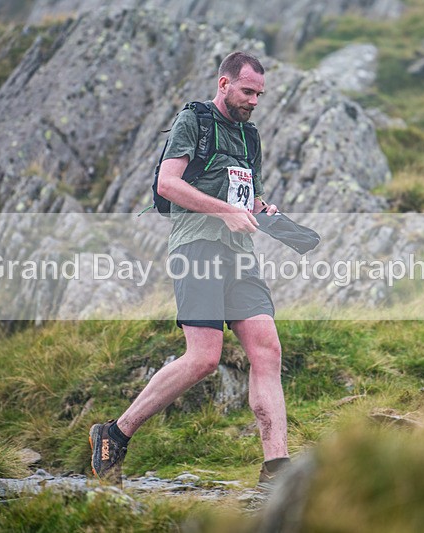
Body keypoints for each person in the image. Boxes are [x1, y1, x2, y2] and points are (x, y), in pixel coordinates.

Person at [90, 51, 290, 489]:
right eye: (247, 91)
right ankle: (116, 433)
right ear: (223, 84)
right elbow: (168, 183)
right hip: (196, 247)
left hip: (239, 252)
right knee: (203, 358)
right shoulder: (194, 121)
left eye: (260, 93)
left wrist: (261, 208)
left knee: (267, 349)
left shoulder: (250, 136)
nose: (254, 100)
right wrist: (224, 211)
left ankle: (276, 470)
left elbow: (245, 194)